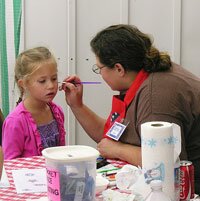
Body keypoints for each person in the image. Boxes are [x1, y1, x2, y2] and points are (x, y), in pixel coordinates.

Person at [60, 24, 200, 194]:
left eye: (99, 68)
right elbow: (111, 138)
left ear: (119, 68)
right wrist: (77, 105)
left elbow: (164, 163)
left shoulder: (155, 97)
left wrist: (119, 150)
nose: (100, 74)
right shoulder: (148, 75)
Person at [2, 47, 66, 160]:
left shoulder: (57, 111)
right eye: (42, 81)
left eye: (54, 78)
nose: (51, 85)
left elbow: (61, 153)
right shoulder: (15, 122)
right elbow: (10, 164)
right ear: (23, 84)